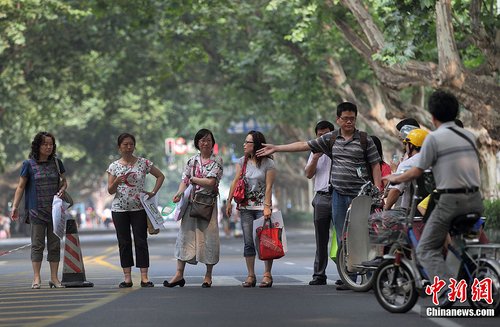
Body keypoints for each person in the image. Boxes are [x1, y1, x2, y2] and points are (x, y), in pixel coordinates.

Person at [256, 102, 381, 290]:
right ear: (338, 119)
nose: (349, 122)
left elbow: (375, 165)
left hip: (360, 196)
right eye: (345, 118)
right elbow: (304, 145)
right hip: (338, 195)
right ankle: (350, 277)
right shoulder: (330, 138)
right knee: (342, 238)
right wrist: (277, 148)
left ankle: (370, 277)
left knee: (363, 235)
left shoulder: (364, 139)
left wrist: (377, 190)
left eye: (352, 119)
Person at [384, 90, 483, 306]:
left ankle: (447, 289)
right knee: (456, 244)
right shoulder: (471, 136)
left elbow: (416, 171)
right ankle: (468, 279)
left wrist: (395, 176)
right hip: (476, 200)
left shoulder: (434, 139)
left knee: (426, 248)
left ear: (432, 117)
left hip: (451, 202)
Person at [165, 129, 223, 288]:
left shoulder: (217, 160)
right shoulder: (192, 161)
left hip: (207, 205)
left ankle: (208, 276)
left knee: (209, 238)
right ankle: (178, 275)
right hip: (190, 203)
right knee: (184, 237)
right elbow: (184, 180)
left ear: (213, 143)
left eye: (209, 140)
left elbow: (210, 182)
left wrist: (192, 179)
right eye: (202, 140)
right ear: (198, 143)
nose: (206, 143)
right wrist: (179, 193)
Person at [10, 132, 69, 289]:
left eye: (51, 144)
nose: (48, 147)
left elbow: (64, 182)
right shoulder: (28, 165)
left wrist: (63, 188)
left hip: (55, 211)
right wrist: (15, 206)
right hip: (36, 210)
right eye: (45, 144)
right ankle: (36, 278)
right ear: (38, 146)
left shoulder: (57, 163)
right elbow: (21, 186)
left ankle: (54, 278)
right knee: (37, 245)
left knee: (54, 244)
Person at [107, 133, 165, 288]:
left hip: (139, 208)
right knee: (124, 242)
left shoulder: (143, 163)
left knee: (141, 241)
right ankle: (127, 278)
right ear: (119, 147)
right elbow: (110, 191)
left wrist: (152, 192)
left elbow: (160, 176)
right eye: (125, 144)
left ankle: (144, 277)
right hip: (119, 210)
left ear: (134, 146)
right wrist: (117, 181)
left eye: (131, 144)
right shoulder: (114, 166)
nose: (128, 147)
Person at [226, 130, 276, 288]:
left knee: (266, 241)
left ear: (256, 145)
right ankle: (251, 275)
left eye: (248, 142)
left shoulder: (269, 163)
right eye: (245, 142)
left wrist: (267, 207)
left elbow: (269, 187)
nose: (244, 144)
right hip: (245, 208)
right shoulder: (242, 161)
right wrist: (229, 202)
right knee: (248, 242)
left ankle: (267, 274)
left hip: (262, 208)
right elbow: (235, 182)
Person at [304, 121, 335, 286]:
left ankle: (348, 276)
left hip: (339, 196)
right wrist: (315, 156)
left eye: (326, 134)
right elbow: (308, 174)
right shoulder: (314, 152)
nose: (323, 138)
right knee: (321, 239)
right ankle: (319, 274)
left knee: (344, 238)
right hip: (322, 197)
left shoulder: (340, 149)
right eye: (319, 135)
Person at [384, 129, 429, 211]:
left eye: (406, 144)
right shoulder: (435, 161)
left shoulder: (407, 164)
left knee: (374, 219)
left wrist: (386, 209)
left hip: (410, 214)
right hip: (431, 211)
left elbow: (395, 190)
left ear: (411, 145)